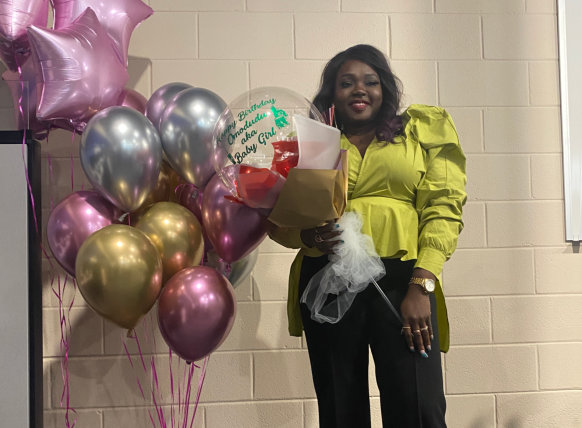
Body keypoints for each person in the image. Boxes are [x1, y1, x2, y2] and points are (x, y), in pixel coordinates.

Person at [268, 44, 466, 428]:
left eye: (370, 81)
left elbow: (444, 206)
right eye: (346, 83)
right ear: (331, 95)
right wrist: (309, 234)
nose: (359, 89)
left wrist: (423, 282)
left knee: (419, 408)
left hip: (402, 280)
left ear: (385, 89)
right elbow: (280, 222)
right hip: (328, 279)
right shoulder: (311, 145)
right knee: (341, 411)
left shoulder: (418, 131)